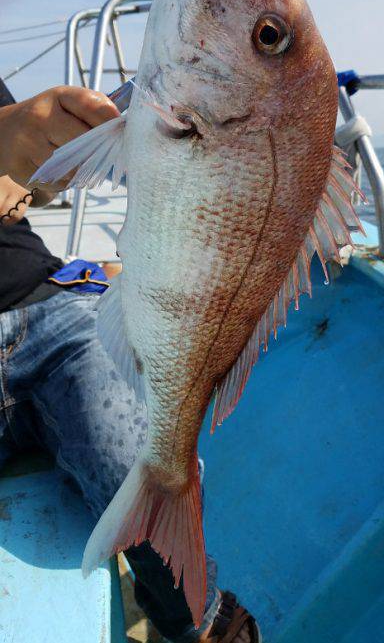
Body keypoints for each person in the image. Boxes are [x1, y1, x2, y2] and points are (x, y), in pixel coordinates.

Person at [0, 79, 260, 643]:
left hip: (42, 301)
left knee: (140, 464)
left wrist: (28, 170)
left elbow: (31, 188)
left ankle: (198, 620)